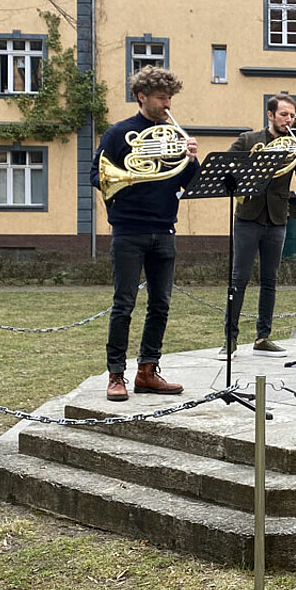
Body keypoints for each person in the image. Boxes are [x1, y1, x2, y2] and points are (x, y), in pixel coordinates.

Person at [90, 66, 199, 402]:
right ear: (142, 97)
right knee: (124, 304)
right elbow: (98, 175)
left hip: (164, 229)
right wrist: (129, 181)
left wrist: (192, 159)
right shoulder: (118, 133)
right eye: (161, 97)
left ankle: (148, 371)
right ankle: (116, 375)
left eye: (169, 97)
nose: (167, 104)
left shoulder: (173, 135)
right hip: (128, 230)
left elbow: (189, 183)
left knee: (161, 304)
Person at [222, 93, 296, 359]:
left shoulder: (294, 145)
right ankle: (230, 340)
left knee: (270, 281)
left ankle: (263, 338)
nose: (289, 120)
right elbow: (226, 169)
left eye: (292, 115)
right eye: (284, 114)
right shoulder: (248, 140)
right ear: (270, 115)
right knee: (239, 279)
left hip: (277, 219)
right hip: (248, 216)